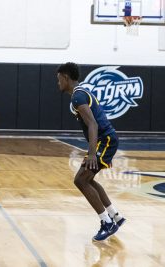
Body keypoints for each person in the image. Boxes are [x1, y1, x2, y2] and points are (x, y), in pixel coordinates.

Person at [57, 62, 126, 241]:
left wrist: (92, 154)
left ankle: (107, 222)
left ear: (65, 77)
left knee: (80, 180)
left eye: (59, 80)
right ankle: (115, 216)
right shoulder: (81, 92)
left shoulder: (78, 96)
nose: (58, 84)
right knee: (88, 179)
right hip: (106, 141)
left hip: (106, 141)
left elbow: (93, 124)